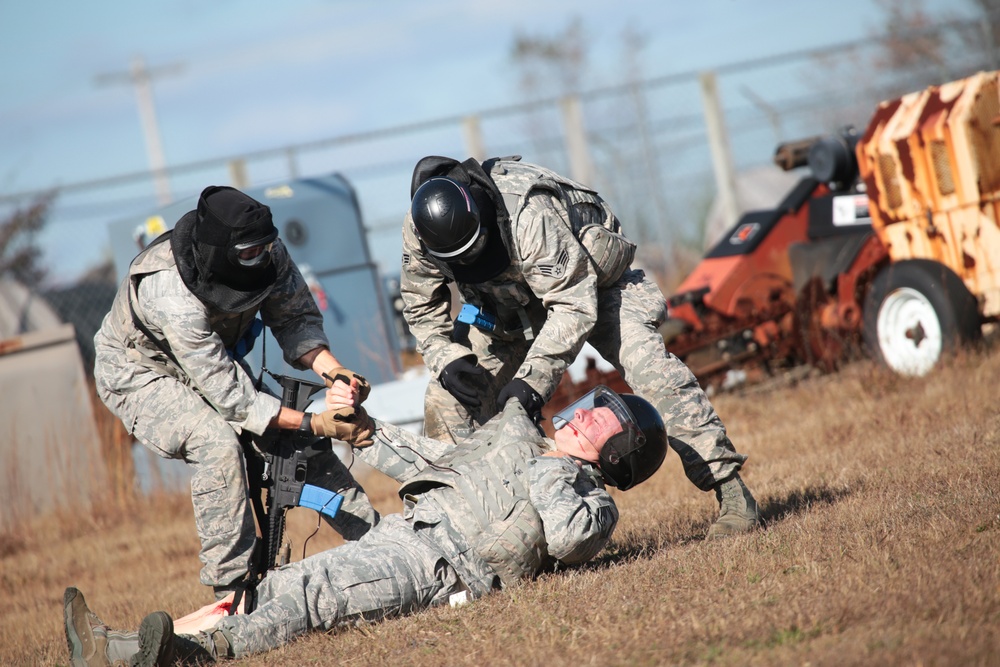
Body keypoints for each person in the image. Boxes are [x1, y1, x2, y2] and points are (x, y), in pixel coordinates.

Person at [64, 385, 668, 665]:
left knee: (314, 600)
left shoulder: (591, 502)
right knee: (273, 588)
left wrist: (556, 465)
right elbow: (434, 467)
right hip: (407, 532)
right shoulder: (523, 444)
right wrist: (368, 431)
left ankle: (194, 655)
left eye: (601, 426)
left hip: (442, 566)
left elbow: (566, 539)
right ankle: (116, 650)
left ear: (620, 457)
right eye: (592, 409)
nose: (584, 418)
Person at [400, 155, 759, 539]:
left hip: (595, 290)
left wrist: (531, 381)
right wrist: (447, 358)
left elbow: (573, 307)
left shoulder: (528, 212)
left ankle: (731, 491)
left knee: (654, 369)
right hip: (507, 312)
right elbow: (420, 306)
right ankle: (462, 531)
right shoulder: (419, 230)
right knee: (446, 398)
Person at [93, 185, 379, 600]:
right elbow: (233, 400)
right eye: (249, 253)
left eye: (265, 248)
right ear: (218, 251)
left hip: (211, 362)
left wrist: (335, 374)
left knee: (296, 443)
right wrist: (318, 422)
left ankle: (379, 544)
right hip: (139, 371)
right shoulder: (168, 289)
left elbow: (294, 318)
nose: (260, 257)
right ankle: (231, 592)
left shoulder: (266, 250)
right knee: (216, 443)